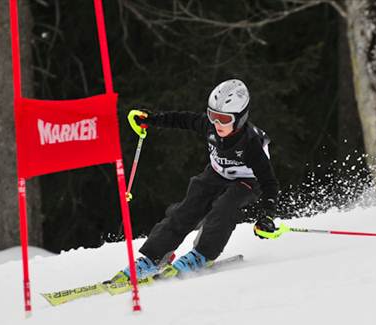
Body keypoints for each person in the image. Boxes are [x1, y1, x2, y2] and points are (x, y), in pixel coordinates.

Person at [112, 79, 279, 283]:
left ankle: (202, 254)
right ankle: (153, 257)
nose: (217, 124)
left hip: (247, 180)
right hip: (217, 173)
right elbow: (181, 119)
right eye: (213, 116)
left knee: (223, 208)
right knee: (189, 207)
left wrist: (267, 215)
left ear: (240, 118)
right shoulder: (209, 126)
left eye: (224, 119)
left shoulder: (251, 144)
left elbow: (269, 182)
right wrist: (152, 119)